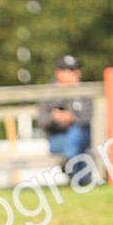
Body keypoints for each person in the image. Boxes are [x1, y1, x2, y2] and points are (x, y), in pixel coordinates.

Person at [36, 56, 94, 186]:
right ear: (59, 72)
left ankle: (71, 166)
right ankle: (80, 178)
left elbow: (88, 117)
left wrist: (71, 117)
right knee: (73, 139)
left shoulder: (85, 91)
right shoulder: (48, 92)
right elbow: (42, 121)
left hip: (82, 137)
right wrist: (54, 117)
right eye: (71, 70)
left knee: (76, 132)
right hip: (57, 138)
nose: (76, 73)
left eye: (77, 69)